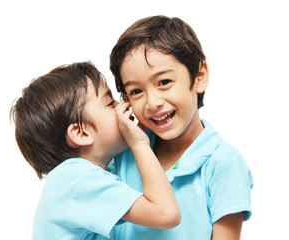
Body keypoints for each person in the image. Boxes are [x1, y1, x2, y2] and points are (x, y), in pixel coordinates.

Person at [110, 15, 253, 239]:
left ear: (199, 76)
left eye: (164, 82)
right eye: (136, 91)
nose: (152, 102)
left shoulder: (223, 162)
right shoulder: (124, 156)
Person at [10, 61, 180, 240]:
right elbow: (167, 214)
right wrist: (139, 144)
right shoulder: (76, 180)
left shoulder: (85, 176)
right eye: (110, 103)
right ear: (81, 133)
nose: (123, 105)